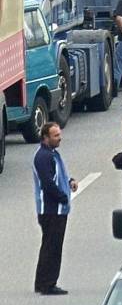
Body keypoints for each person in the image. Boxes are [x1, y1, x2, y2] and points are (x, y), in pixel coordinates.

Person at [33, 122, 76, 295]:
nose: (60, 138)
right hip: (52, 210)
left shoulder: (52, 154)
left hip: (55, 209)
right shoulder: (43, 157)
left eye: (59, 134)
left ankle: (41, 281)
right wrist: (62, 197)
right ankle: (48, 284)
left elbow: (59, 175)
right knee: (53, 247)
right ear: (45, 137)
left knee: (48, 245)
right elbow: (48, 183)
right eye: (56, 135)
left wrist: (70, 181)